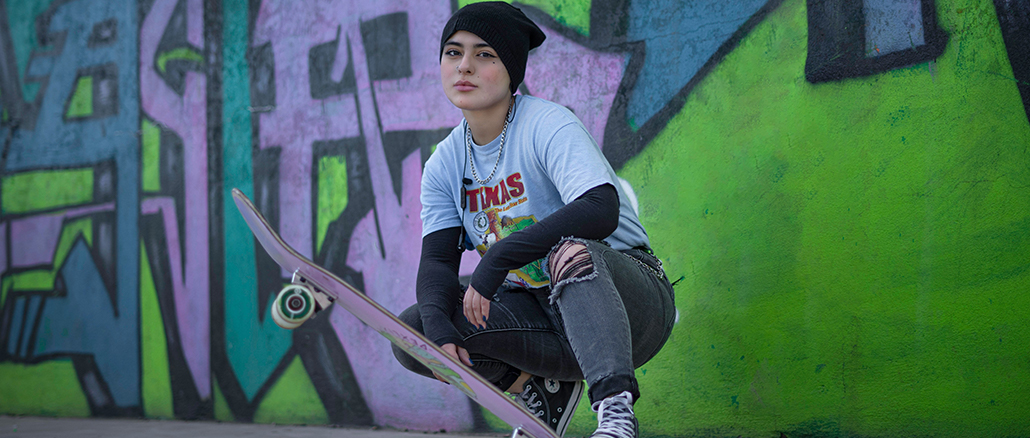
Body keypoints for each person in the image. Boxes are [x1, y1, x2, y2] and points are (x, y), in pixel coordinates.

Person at [392, 3, 676, 438]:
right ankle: (541, 387)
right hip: (541, 316)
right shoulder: (444, 163)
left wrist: (500, 255)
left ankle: (616, 413)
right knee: (414, 332)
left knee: (570, 252)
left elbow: (600, 207)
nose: (464, 66)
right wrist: (438, 333)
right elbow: (437, 262)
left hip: (630, 307)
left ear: (511, 69)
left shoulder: (547, 124)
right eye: (453, 52)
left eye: (484, 54)